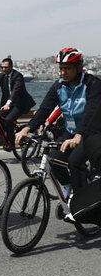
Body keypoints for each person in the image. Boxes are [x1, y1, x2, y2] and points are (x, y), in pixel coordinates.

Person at [16, 47, 101, 197]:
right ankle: (68, 187)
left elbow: (91, 112)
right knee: (53, 159)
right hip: (71, 131)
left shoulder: (92, 84)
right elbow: (44, 109)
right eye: (61, 68)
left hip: (91, 133)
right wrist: (28, 128)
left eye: (67, 68)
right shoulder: (58, 86)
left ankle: (81, 201)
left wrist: (79, 135)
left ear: (78, 68)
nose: (62, 72)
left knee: (74, 162)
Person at [0, 57, 35, 151]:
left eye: (6, 67)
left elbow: (15, 91)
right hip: (7, 104)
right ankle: (9, 134)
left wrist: (8, 103)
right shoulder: (2, 76)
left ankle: (12, 144)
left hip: (19, 103)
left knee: (8, 120)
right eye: (2, 67)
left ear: (12, 67)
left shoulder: (18, 76)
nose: (4, 69)